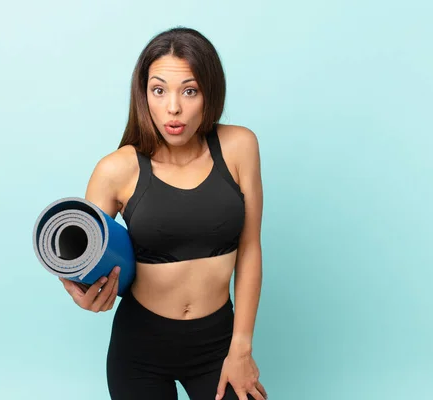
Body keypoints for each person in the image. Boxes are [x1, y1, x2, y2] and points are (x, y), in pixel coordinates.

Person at [59, 26, 267, 400]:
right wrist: (79, 292)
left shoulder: (239, 147)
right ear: (144, 95)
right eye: (159, 90)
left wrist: (241, 348)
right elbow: (85, 257)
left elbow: (250, 247)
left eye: (190, 91)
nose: (173, 108)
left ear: (209, 94)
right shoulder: (115, 170)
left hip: (218, 343)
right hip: (139, 348)